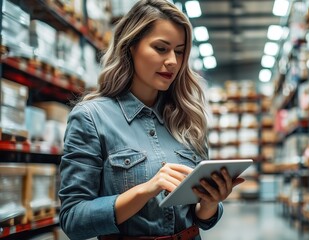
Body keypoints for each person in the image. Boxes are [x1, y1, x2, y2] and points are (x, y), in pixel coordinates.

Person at [58, 0, 245, 239]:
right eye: (161, 48)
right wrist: (147, 189)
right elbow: (73, 219)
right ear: (131, 47)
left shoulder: (187, 119)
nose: (173, 62)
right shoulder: (91, 118)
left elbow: (202, 218)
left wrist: (209, 203)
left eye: (179, 51)